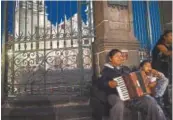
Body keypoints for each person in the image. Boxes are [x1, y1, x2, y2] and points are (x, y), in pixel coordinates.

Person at [97, 49, 166, 120]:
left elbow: (135, 78)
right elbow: (100, 83)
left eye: (121, 56)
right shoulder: (105, 71)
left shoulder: (126, 69)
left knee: (150, 100)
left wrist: (148, 81)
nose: (120, 58)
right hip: (114, 94)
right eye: (117, 56)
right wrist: (109, 83)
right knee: (119, 104)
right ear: (110, 58)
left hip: (132, 96)